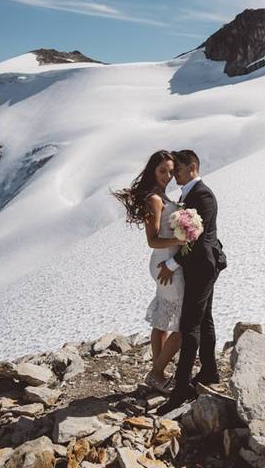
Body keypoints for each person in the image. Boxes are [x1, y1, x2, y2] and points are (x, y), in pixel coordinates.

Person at [157, 150, 227, 413]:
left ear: (193, 167)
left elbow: (196, 238)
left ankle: (182, 388)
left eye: (179, 170)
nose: (175, 174)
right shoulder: (189, 193)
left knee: (189, 325)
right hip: (200, 266)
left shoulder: (203, 195)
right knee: (204, 318)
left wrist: (173, 264)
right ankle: (209, 371)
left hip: (203, 266)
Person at [113, 150, 185, 391]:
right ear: (153, 170)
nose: (167, 176)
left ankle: (159, 373)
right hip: (166, 263)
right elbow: (152, 239)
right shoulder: (155, 199)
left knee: (163, 318)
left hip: (165, 261)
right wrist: (181, 239)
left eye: (170, 172)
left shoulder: (160, 195)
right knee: (183, 324)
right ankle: (156, 372)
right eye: (162, 171)